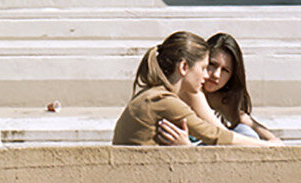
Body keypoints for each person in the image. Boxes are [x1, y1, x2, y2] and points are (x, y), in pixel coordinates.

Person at [111, 30, 266, 147]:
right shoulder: (163, 100)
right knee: (244, 135)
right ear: (184, 67)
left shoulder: (154, 95)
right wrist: (270, 147)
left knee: (245, 132)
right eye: (205, 68)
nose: (207, 76)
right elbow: (215, 135)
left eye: (225, 70)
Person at [191, 32, 279, 142]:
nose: (216, 75)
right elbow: (223, 135)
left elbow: (243, 119)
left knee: (246, 131)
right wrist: (265, 145)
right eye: (212, 65)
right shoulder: (192, 90)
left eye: (225, 70)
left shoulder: (223, 99)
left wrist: (272, 139)